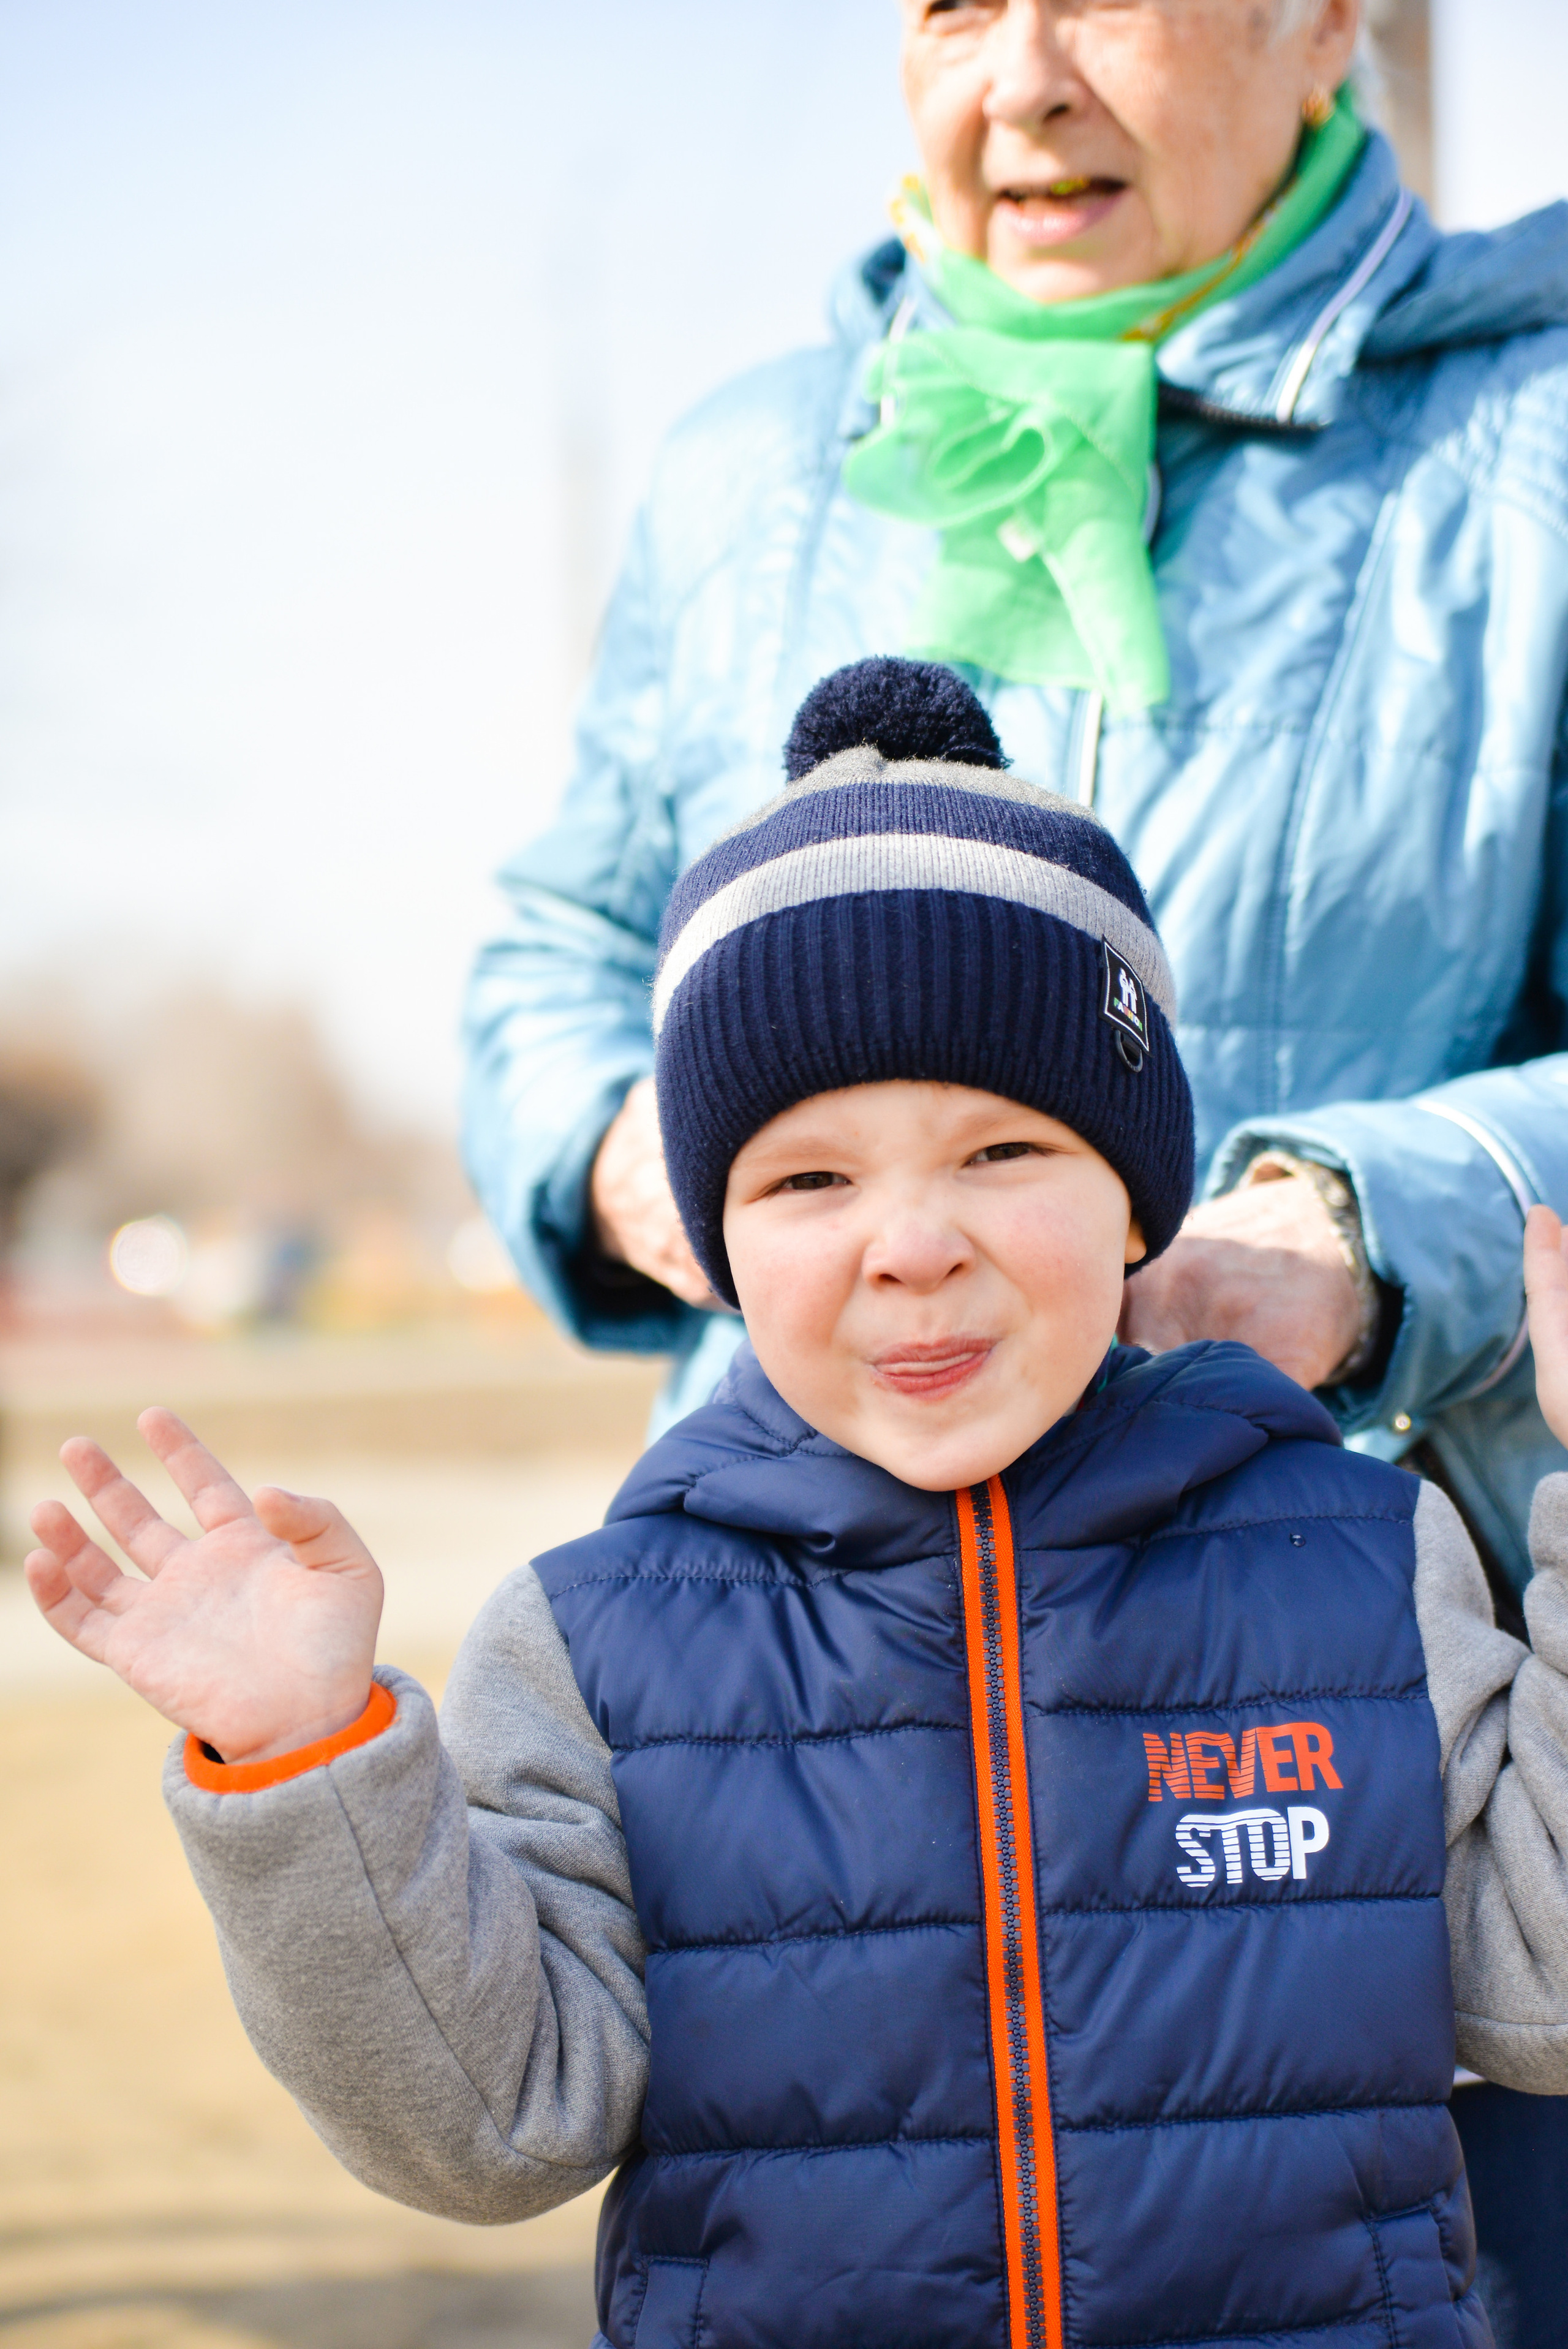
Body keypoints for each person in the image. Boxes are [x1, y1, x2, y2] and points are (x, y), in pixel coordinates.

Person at [26, 664, 1568, 2346]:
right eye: (811, 1178)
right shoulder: (599, 1641)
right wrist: (307, 1766)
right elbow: (487, 2130)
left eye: (1002, 1153)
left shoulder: (1354, 1554)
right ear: (716, 1234)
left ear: (1136, 1197)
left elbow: (1541, 1996)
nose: (912, 1241)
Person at [462, 12, 1568, 2318]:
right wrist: (633, 1153)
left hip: (1331, 1715)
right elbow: (560, 934)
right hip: (817, 1709)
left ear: (1323, 21)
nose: (1030, 78)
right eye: (962, 2)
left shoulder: (1535, 432)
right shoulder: (751, 467)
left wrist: (1380, 1226)